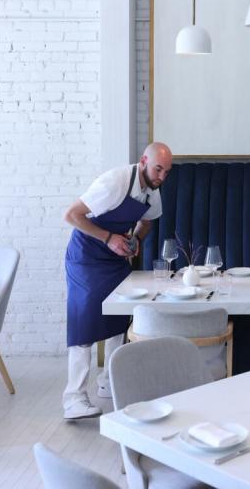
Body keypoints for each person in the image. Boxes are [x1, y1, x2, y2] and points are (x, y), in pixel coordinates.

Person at [60, 142, 172, 419]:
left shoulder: (152, 190)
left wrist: (134, 240)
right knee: (84, 321)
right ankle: (73, 398)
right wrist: (109, 239)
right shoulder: (114, 182)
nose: (161, 177)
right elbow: (72, 215)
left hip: (114, 258)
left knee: (119, 318)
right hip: (86, 256)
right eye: (158, 169)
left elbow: (147, 221)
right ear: (144, 160)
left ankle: (109, 381)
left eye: (167, 172)